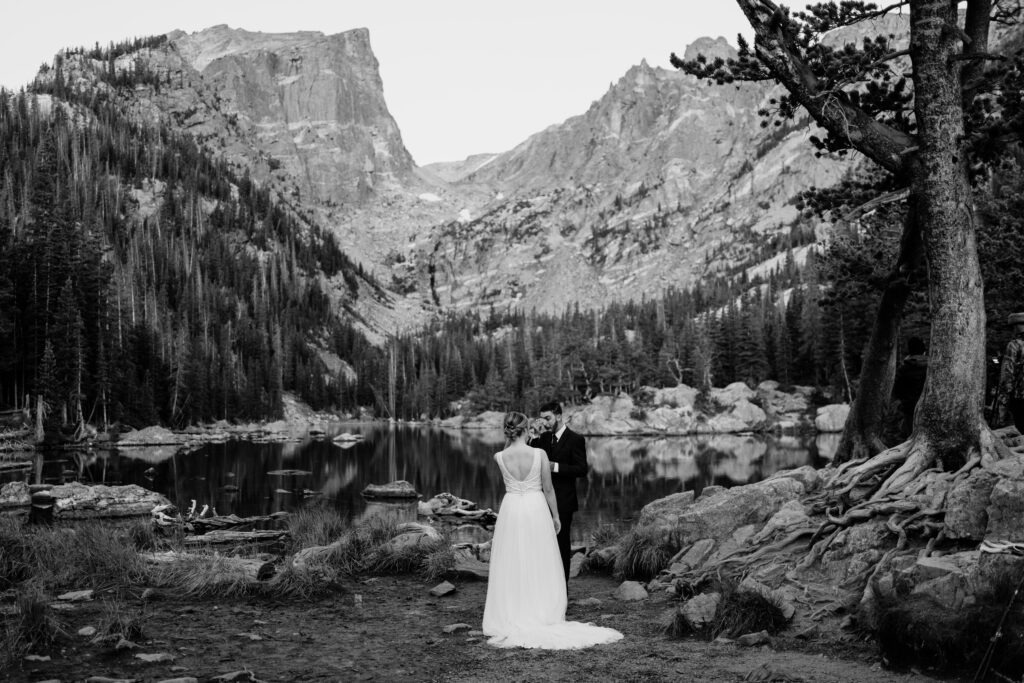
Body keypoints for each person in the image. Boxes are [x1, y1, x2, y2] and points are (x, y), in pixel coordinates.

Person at [482, 411, 623, 649]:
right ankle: (542, 608)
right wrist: (556, 516)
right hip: (536, 508)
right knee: (540, 558)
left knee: (512, 558)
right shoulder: (539, 454)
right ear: (527, 430)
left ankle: (512, 609)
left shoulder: (499, 456)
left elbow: (509, 450)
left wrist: (513, 439)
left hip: (512, 509)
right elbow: (548, 489)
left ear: (507, 431)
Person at [531, 400, 589, 583]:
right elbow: (532, 460)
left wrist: (554, 466)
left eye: (547, 418)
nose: (545, 423)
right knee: (542, 545)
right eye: (542, 419)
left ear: (558, 416)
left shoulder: (576, 439)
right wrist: (533, 438)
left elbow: (581, 470)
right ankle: (545, 584)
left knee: (562, 546)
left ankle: (562, 588)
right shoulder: (544, 438)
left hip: (564, 501)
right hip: (541, 501)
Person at [892, 336, 928, 436]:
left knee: (911, 435)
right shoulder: (932, 366)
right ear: (923, 351)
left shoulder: (904, 368)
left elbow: (898, 390)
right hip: (928, 406)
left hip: (909, 408)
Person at [996, 312, 1024, 432]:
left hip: (1019, 396)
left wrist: (1004, 396)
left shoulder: (1014, 345)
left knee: (1020, 429)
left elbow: (1007, 373)